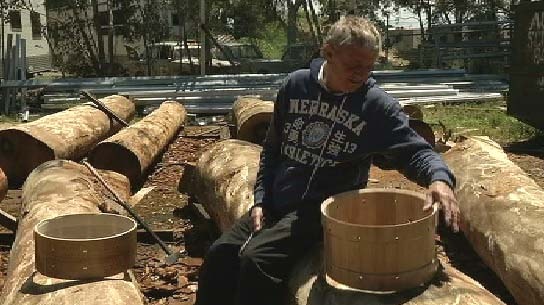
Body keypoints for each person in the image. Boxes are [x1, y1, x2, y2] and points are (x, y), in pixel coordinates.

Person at [195, 16, 459, 305]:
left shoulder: (375, 106)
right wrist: (260, 199)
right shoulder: (295, 85)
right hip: (278, 200)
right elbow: (273, 149)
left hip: (323, 210)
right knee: (220, 254)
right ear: (328, 52)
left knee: (256, 261)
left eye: (369, 67)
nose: (361, 75)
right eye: (353, 66)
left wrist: (439, 178)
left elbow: (415, 151)